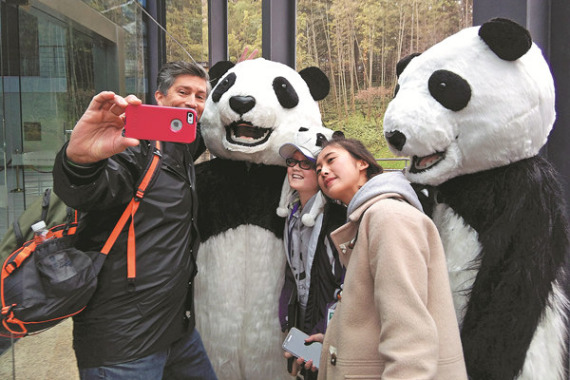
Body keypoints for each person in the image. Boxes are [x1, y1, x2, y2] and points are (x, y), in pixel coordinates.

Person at [52, 61, 217, 380]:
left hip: (177, 332)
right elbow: (88, 191)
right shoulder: (132, 149)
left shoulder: (182, 147)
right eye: (182, 92)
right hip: (124, 345)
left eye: (200, 96)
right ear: (159, 97)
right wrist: (80, 162)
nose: (192, 102)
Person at [303, 136, 467, 379]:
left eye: (331, 160)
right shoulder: (370, 217)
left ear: (362, 163)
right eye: (318, 169)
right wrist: (332, 342)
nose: (323, 171)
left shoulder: (388, 217)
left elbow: (410, 340)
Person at [277, 132, 345, 379]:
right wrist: (289, 321)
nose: (296, 168)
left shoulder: (337, 220)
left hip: (327, 330)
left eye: (305, 162)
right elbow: (292, 275)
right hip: (303, 321)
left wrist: (324, 332)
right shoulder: (291, 214)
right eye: (291, 162)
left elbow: (344, 285)